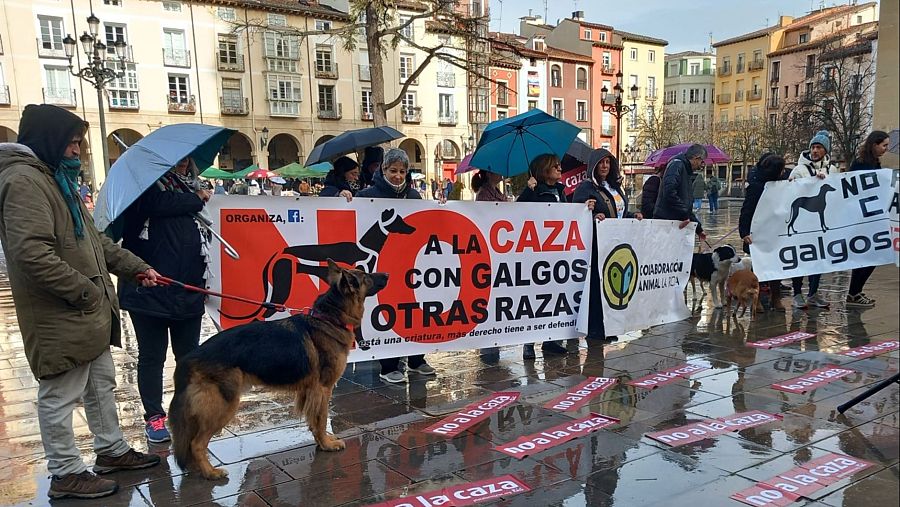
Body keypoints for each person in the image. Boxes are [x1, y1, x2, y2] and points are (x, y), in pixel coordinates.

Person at [0, 104, 162, 500]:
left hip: (85, 311)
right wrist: (86, 291)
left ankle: (111, 451)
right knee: (59, 395)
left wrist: (135, 267)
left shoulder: (57, 178)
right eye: (72, 142)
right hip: (60, 313)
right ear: (51, 140)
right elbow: (31, 254)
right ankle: (66, 473)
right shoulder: (24, 181)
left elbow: (95, 241)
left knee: (101, 384)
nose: (77, 151)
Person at [118, 156, 212, 444]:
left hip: (187, 291)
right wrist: (195, 199)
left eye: (188, 159)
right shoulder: (142, 190)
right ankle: (154, 416)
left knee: (188, 357)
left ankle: (186, 411)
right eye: (177, 160)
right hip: (149, 292)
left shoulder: (193, 191)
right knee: (151, 356)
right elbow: (157, 205)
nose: (183, 164)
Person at [357, 149, 434, 383]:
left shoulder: (414, 197)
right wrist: (345, 199)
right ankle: (388, 364)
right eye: (393, 171)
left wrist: (440, 207)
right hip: (382, 264)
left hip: (410, 263)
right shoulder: (366, 195)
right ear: (383, 171)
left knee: (414, 308)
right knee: (388, 308)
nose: (398, 176)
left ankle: (416, 359)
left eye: (402, 171)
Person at [573, 148, 642, 343]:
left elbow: (619, 212)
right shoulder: (586, 188)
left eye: (608, 162)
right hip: (596, 246)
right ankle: (595, 329)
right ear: (593, 166)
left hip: (615, 246)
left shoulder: (615, 187)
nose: (604, 166)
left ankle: (608, 326)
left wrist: (632, 215)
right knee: (596, 288)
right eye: (601, 163)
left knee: (610, 288)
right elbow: (577, 215)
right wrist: (592, 215)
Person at [516, 154, 571, 359]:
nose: (559, 169)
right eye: (554, 166)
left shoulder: (561, 191)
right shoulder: (533, 191)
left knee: (554, 296)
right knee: (534, 298)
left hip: (557, 253)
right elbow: (517, 213)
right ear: (544, 170)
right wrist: (527, 190)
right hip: (536, 252)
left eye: (559, 166)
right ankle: (528, 344)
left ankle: (551, 341)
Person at [787, 130, 838, 310]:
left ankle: (813, 293)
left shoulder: (832, 169)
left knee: (818, 259)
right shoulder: (800, 169)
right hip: (804, 225)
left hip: (820, 226)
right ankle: (797, 293)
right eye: (813, 147)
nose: (815, 150)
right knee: (801, 258)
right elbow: (791, 190)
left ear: (826, 150)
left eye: (819, 147)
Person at [845, 130, 890, 308]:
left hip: (872, 215)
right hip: (861, 217)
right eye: (884, 145)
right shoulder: (860, 163)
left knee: (872, 255)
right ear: (874, 145)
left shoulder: (875, 163)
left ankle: (855, 291)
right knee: (867, 256)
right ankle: (853, 292)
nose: (886, 149)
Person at [740, 153, 788, 311]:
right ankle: (756, 299)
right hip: (758, 231)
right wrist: (744, 232)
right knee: (759, 267)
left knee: (777, 265)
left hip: (775, 230)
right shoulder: (756, 186)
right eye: (781, 170)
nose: (784, 172)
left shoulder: (779, 183)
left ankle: (776, 297)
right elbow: (746, 210)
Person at [653, 144, 707, 242]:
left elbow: (684, 205)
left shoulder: (684, 169)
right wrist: (685, 215)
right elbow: (669, 192)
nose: (702, 165)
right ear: (696, 158)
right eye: (701, 161)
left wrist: (698, 229)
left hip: (674, 223)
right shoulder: (677, 165)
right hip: (667, 223)